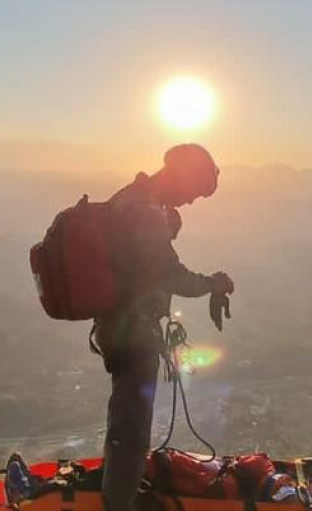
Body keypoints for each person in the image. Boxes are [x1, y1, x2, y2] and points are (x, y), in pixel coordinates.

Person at [93, 143, 235, 511]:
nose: (190, 201)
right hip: (132, 333)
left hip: (121, 327)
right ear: (180, 175)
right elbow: (168, 273)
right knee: (132, 425)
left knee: (127, 416)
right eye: (192, 191)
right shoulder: (145, 211)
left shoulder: (135, 200)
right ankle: (119, 502)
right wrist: (211, 283)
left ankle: (120, 489)